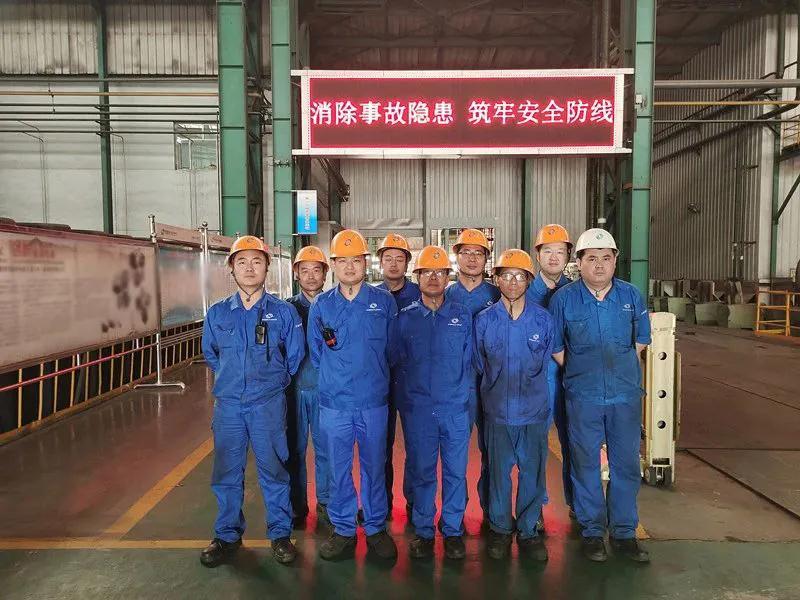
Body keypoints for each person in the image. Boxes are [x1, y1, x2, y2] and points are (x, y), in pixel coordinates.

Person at [200, 235, 305, 567]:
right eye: (242, 262)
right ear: (231, 268)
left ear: (267, 268)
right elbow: (211, 355)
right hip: (229, 406)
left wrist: (271, 384)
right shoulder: (218, 314)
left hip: (267, 405)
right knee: (226, 472)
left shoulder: (284, 312)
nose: (249, 268)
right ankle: (227, 535)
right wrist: (234, 382)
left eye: (256, 261)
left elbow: (295, 357)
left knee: (274, 469)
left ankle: (280, 535)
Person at [549, 228, 652, 563]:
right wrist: (583, 371)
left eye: (606, 258)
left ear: (615, 261)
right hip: (583, 397)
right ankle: (592, 531)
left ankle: (623, 533)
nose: (599, 265)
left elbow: (640, 341)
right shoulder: (564, 300)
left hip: (624, 397)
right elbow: (556, 347)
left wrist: (618, 371)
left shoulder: (631, 296)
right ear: (578, 263)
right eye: (591, 258)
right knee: (585, 464)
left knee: (626, 465)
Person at [308, 229, 399, 561]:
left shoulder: (383, 302)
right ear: (333, 265)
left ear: (366, 263)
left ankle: (375, 528)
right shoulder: (322, 305)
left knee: (375, 466)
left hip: (373, 402)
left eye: (356, 260)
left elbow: (393, 350)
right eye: (342, 261)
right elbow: (317, 353)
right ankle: (344, 528)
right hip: (335, 404)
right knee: (338, 468)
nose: (349, 267)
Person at [390, 245, 472, 561]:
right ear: (417, 277)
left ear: (448, 277)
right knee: (423, 471)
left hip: (454, 409)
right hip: (419, 411)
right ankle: (424, 531)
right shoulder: (405, 319)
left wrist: (461, 399)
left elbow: (471, 360)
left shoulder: (462, 316)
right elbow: (395, 361)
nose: (434, 278)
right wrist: (409, 403)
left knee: (455, 472)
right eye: (427, 272)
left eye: (440, 272)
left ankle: (452, 530)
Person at [473, 249, 552, 562]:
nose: (513, 282)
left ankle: (529, 531)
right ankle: (500, 529)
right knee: (498, 474)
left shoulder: (543, 320)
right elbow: (479, 363)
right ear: (497, 279)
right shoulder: (484, 321)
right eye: (506, 275)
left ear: (529, 280)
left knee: (532, 473)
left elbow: (547, 362)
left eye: (520, 276)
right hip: (497, 412)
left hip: (533, 412)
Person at [444, 228, 500, 523]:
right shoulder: (445, 294)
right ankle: (455, 515)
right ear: (457, 257)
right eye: (466, 252)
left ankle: (493, 510)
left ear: (486, 259)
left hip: (492, 383)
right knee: (455, 454)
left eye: (479, 253)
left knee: (493, 451)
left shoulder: (497, 294)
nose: (472, 258)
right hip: (457, 386)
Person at [527, 224, 575, 519]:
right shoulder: (525, 291)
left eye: (560, 251)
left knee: (574, 441)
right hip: (538, 378)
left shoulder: (577, 292)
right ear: (538, 255)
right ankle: (535, 508)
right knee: (535, 444)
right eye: (548, 251)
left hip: (571, 376)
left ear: (568, 255)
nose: (554, 257)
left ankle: (577, 504)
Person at [375, 233, 420, 517]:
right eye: (388, 258)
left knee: (417, 445)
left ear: (407, 263)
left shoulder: (420, 293)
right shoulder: (371, 297)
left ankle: (416, 504)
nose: (393, 264)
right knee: (380, 446)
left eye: (399, 258)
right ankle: (382, 504)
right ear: (380, 262)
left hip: (414, 381)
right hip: (380, 381)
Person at [286, 245, 330, 527]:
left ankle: (326, 504)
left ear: (325, 274)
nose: (311, 276)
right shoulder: (286, 309)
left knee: (327, 450)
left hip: (326, 390)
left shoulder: (334, 305)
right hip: (294, 390)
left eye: (316, 270)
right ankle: (296, 506)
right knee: (294, 449)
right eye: (305, 270)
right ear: (296, 274)